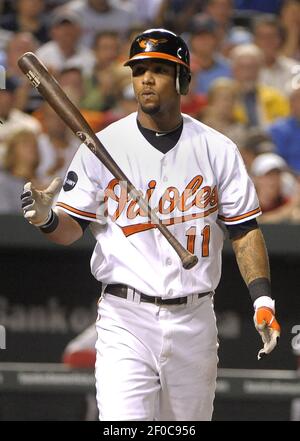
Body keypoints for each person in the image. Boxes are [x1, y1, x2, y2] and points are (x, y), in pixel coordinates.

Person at [21, 28, 281, 421]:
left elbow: (244, 229)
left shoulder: (216, 149)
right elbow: (70, 228)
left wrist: (262, 300)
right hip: (126, 317)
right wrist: (46, 219)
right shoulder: (102, 145)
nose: (146, 78)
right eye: (139, 69)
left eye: (159, 69)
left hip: (194, 317)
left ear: (183, 79)